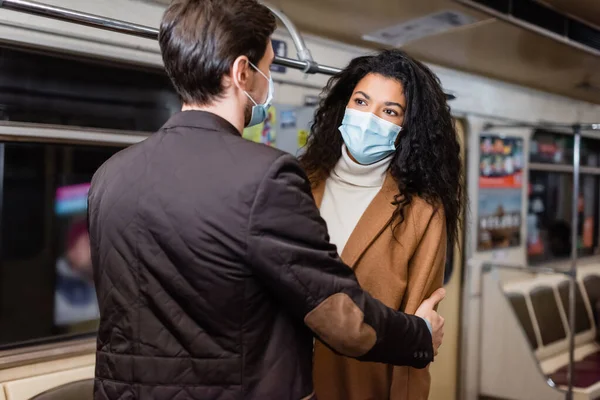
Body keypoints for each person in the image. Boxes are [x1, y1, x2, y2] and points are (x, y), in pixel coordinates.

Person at [87, 2, 446, 399]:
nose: (268, 80)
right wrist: (419, 335)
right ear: (243, 72)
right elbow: (333, 312)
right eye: (269, 67)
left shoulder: (109, 176)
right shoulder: (266, 177)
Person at [300, 50, 463, 400]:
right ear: (344, 105)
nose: (369, 118)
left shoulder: (421, 212)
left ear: (407, 127)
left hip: (360, 385)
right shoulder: (297, 182)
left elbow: (417, 333)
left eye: (389, 111)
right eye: (361, 101)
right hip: (284, 379)